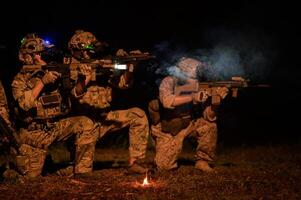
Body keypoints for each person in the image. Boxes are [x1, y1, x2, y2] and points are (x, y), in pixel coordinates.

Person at [11, 33, 98, 179]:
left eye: (42, 54)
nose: (42, 58)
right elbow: (25, 105)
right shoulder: (19, 80)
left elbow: (75, 94)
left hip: (54, 127)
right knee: (29, 178)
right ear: (27, 57)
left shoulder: (53, 72)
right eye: (38, 55)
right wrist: (42, 82)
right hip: (34, 134)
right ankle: (14, 169)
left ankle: (83, 172)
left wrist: (83, 78)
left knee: (85, 123)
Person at [65, 30, 150, 174]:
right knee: (82, 172)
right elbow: (74, 94)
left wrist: (129, 68)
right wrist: (84, 77)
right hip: (83, 123)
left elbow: (123, 85)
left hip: (105, 118)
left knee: (138, 115)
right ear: (78, 51)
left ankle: (136, 162)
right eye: (85, 50)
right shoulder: (70, 67)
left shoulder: (102, 64)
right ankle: (73, 163)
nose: (89, 53)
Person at [149, 57, 229, 172]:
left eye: (197, 77)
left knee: (209, 126)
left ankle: (203, 161)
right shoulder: (169, 81)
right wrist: (192, 97)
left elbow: (209, 117)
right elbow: (167, 101)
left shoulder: (201, 87)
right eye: (194, 77)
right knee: (164, 167)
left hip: (187, 124)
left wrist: (216, 101)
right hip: (167, 128)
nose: (197, 80)